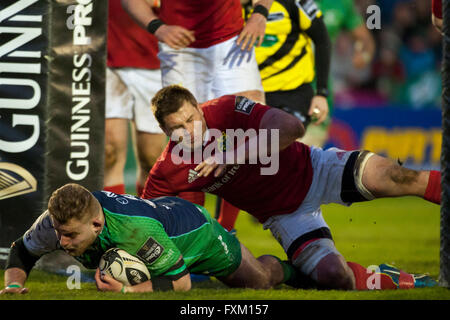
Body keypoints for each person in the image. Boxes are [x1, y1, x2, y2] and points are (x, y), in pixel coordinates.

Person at [141, 85, 441, 290]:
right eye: (177, 128)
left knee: (398, 176)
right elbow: (143, 220)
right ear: (164, 131)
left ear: (199, 108)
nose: (189, 131)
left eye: (191, 119)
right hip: (285, 217)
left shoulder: (227, 108)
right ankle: (390, 277)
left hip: (318, 169)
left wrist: (231, 155)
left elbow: (292, 128)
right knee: (334, 276)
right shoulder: (168, 169)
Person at [120, 0, 274, 224]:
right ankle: (197, 229)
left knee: (247, 130)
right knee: (187, 142)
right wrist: (158, 27)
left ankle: (226, 228)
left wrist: (260, 13)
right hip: (180, 48)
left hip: (232, 40)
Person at [0, 183, 297, 294]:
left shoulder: (135, 232)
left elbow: (181, 283)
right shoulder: (55, 222)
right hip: (162, 228)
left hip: (197, 232)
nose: (62, 244)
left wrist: (126, 291)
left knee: (258, 281)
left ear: (96, 223)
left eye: (71, 236)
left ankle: (296, 270)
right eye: (59, 233)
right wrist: (14, 284)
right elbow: (22, 252)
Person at [104, 0, 167, 197]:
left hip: (153, 62)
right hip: (105, 58)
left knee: (151, 159)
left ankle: (146, 223)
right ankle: (114, 223)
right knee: (108, 152)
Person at [302, 0, 375, 147]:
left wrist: (363, 55)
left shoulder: (341, 3)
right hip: (282, 84)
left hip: (320, 90)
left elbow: (365, 39)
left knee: (307, 152)